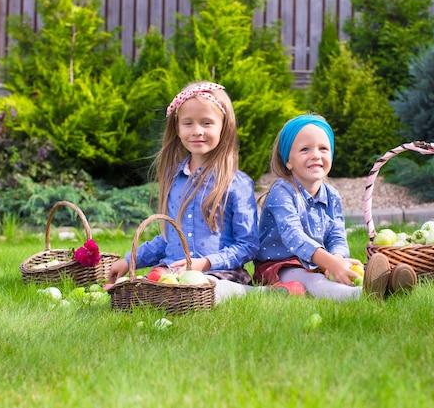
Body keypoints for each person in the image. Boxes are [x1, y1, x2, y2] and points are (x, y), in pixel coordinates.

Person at [108, 81, 298, 303]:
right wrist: (129, 261)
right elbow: (168, 239)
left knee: (208, 287)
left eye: (207, 123)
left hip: (219, 274)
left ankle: (263, 293)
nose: (197, 131)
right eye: (188, 123)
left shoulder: (236, 183)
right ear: (177, 129)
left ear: (223, 127)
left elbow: (247, 245)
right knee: (145, 287)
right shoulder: (173, 178)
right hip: (175, 274)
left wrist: (206, 263)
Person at [254, 114, 417, 301]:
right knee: (313, 281)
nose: (316, 155)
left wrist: (338, 258)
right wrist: (330, 262)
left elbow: (337, 236)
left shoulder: (331, 195)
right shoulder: (282, 192)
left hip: (318, 261)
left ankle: (388, 282)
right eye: (305, 149)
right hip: (281, 265)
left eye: (323, 148)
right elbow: (294, 237)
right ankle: (360, 295)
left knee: (349, 270)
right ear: (288, 161)